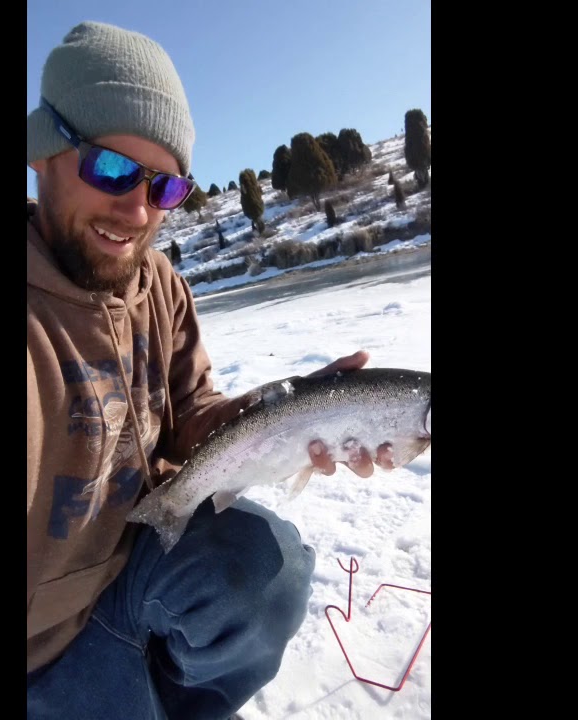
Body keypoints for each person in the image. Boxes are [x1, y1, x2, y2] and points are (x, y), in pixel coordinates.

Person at [26, 21, 383, 719]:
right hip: (42, 649)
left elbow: (191, 415)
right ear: (43, 152)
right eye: (111, 169)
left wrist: (291, 411)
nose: (136, 210)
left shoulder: (160, 284)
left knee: (270, 571)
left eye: (164, 188)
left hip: (137, 564)